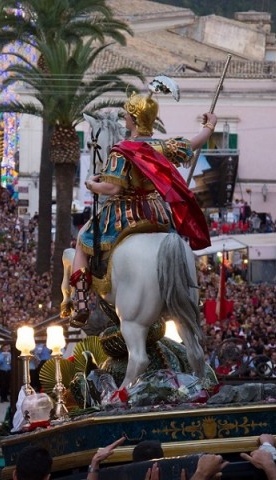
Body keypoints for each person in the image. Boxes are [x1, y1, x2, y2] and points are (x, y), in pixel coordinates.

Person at [66, 89, 216, 327]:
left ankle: (81, 302)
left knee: (83, 243)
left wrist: (92, 185)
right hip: (156, 212)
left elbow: (113, 189)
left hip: (124, 213)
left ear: (133, 119)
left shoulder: (122, 150)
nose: (124, 117)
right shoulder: (161, 146)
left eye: (127, 114)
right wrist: (210, 126)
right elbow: (195, 143)